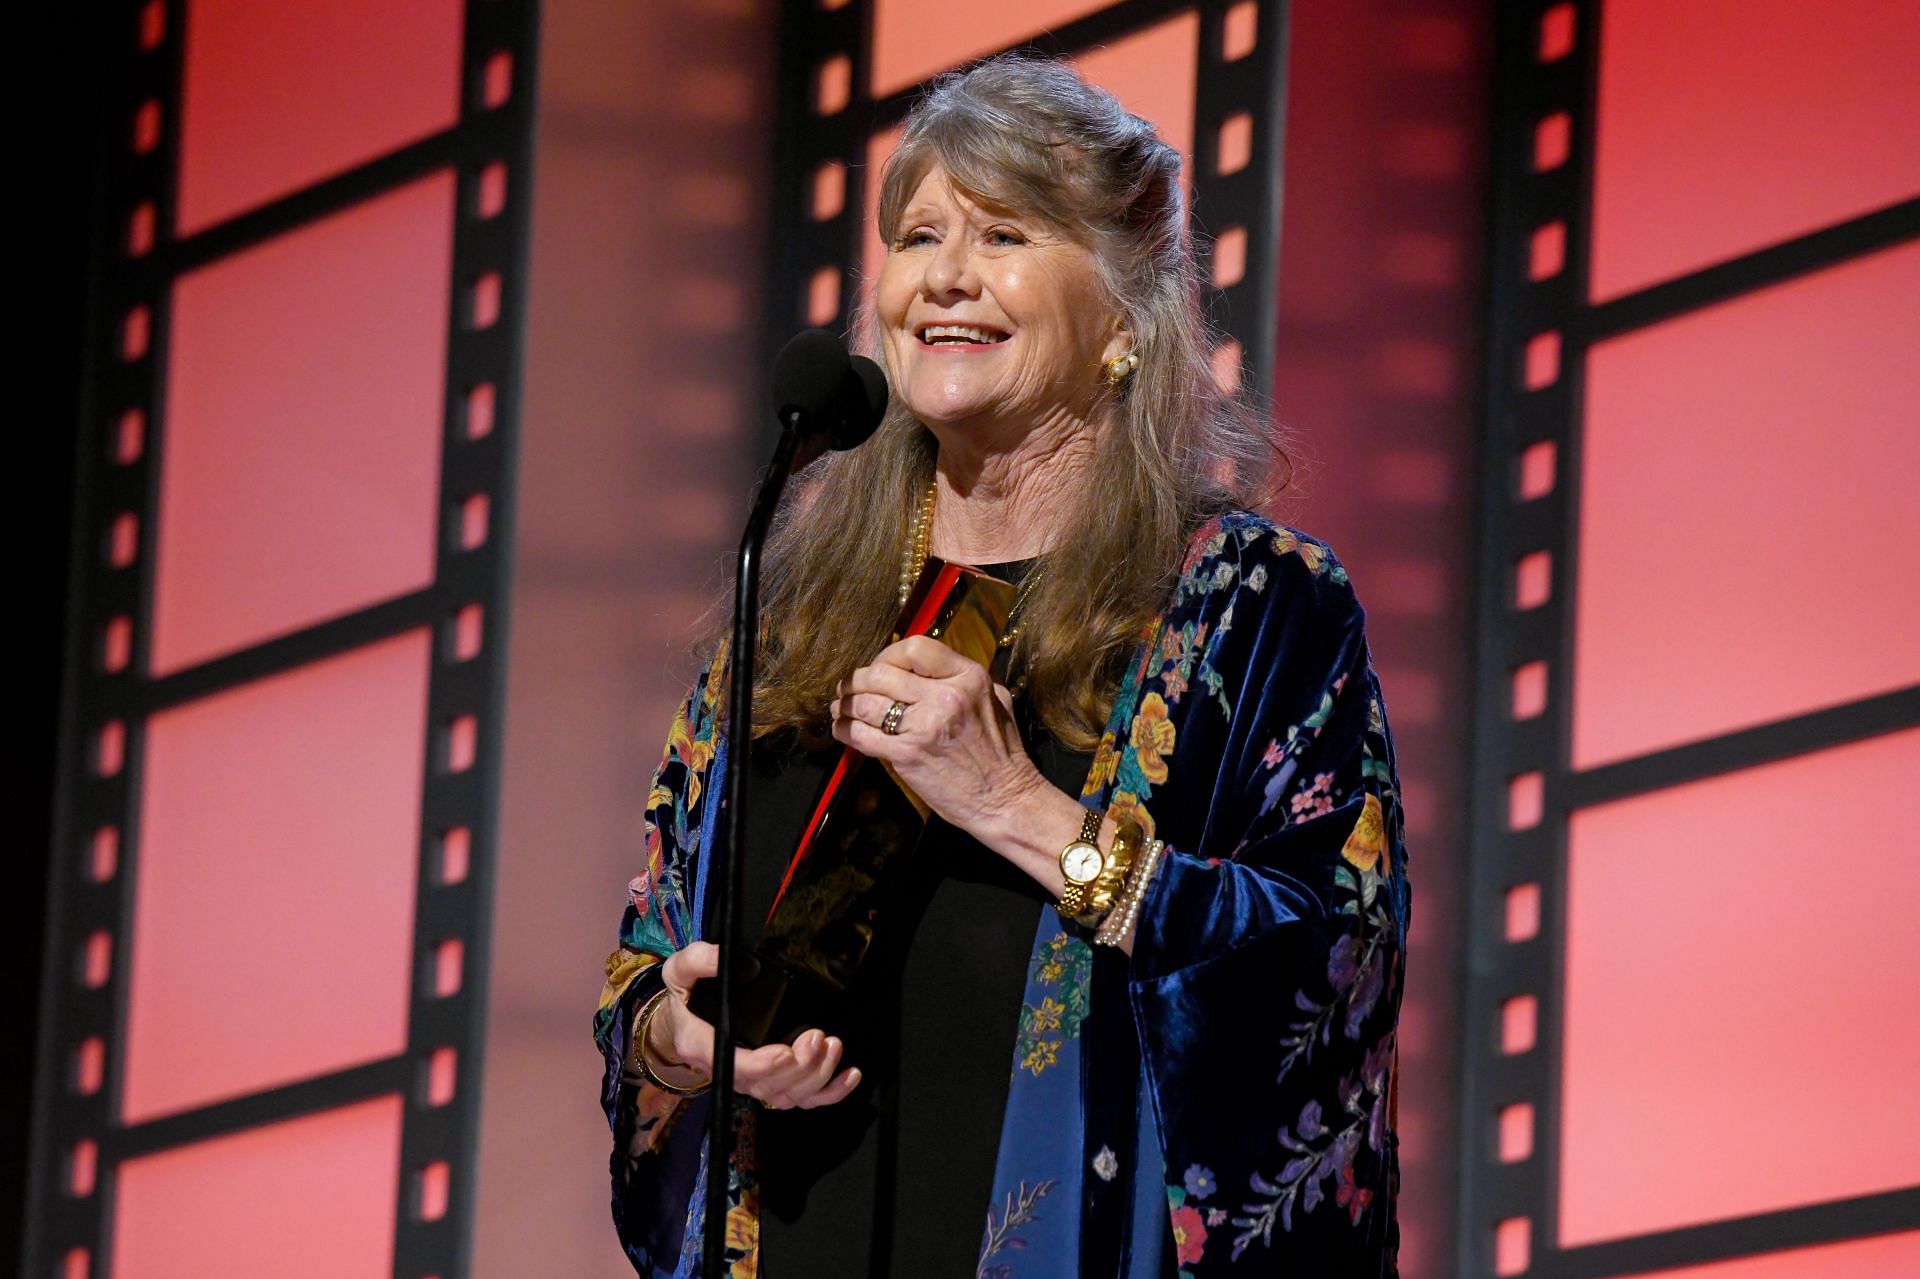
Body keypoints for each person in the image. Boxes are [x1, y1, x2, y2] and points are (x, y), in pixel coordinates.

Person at [594, 54, 1410, 1278]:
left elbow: (1337, 965)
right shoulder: (788, 628)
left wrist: (1022, 809)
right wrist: (675, 1037)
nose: (944, 277)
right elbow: (644, 966)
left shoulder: (1250, 605)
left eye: (1005, 232)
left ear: (1127, 317)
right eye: (918, 235)